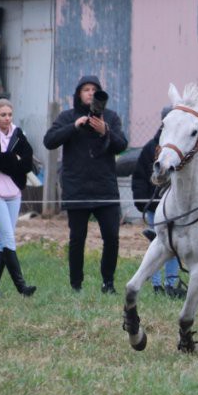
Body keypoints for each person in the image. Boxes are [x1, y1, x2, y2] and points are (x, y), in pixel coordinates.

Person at [43, 74, 128, 293]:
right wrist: (74, 126)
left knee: (111, 237)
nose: (90, 93)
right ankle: (76, 285)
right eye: (86, 89)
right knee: (77, 239)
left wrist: (105, 131)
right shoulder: (67, 116)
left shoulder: (110, 117)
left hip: (105, 189)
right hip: (76, 187)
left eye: (94, 89)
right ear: (78, 94)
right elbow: (49, 141)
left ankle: (107, 283)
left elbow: (122, 145)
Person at [0, 99, 38, 297]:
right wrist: (12, 158)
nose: (7, 119)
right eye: (3, 115)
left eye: (10, 114)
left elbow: (28, 161)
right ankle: (21, 286)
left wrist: (8, 160)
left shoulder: (18, 133)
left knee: (4, 240)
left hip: (14, 193)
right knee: (8, 237)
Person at [132, 105, 185, 299]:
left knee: (173, 245)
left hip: (176, 208)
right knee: (157, 245)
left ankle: (171, 283)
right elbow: (138, 177)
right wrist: (143, 202)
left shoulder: (184, 150)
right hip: (155, 208)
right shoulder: (150, 148)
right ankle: (156, 285)